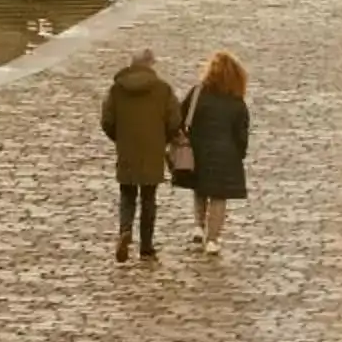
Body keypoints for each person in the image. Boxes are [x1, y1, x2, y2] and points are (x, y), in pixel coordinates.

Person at [100, 46, 180, 266]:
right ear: (150, 65)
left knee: (127, 195)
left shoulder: (117, 89)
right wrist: (162, 139)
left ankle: (125, 230)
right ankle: (146, 247)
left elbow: (107, 120)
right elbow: (174, 120)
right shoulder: (163, 90)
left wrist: (120, 138)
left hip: (127, 148)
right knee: (148, 198)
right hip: (152, 149)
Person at [186, 48, 250, 256]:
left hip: (198, 148)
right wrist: (239, 153)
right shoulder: (236, 102)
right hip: (225, 153)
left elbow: (181, 115)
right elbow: (241, 134)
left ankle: (198, 226)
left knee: (200, 188)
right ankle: (212, 239)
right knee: (218, 196)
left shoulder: (197, 93)